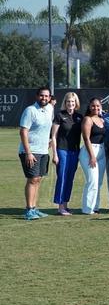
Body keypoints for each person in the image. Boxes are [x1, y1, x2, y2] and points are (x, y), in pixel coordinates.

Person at [19, 87, 54, 220]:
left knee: (38, 179)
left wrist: (49, 140)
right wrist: (28, 153)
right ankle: (29, 210)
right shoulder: (30, 110)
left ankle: (34, 208)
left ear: (49, 98)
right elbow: (23, 131)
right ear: (37, 96)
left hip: (43, 151)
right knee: (32, 179)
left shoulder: (49, 108)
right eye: (41, 95)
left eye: (46, 96)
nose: (44, 98)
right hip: (31, 152)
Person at [50, 92, 82, 216]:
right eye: (68, 101)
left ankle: (65, 205)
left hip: (75, 151)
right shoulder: (59, 115)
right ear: (65, 102)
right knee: (62, 177)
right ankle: (60, 207)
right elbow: (53, 136)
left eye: (73, 102)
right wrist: (55, 154)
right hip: (62, 150)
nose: (70, 104)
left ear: (76, 103)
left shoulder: (79, 117)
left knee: (70, 178)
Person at [78, 98, 105, 215]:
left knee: (98, 182)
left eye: (98, 106)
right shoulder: (87, 119)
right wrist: (92, 156)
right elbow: (86, 138)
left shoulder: (102, 120)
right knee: (92, 181)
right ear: (89, 107)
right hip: (89, 152)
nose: (96, 108)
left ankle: (95, 207)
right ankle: (87, 209)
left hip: (102, 151)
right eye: (93, 106)